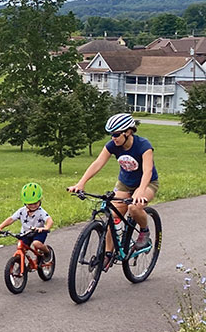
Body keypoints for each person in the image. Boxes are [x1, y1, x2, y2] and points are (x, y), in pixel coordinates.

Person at [68, 113, 159, 267]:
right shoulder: (112, 145)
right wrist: (81, 183)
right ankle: (108, 254)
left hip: (147, 183)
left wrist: (140, 191)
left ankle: (144, 232)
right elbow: (98, 163)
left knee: (134, 208)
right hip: (125, 184)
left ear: (128, 132)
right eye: (111, 135)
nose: (113, 138)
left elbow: (148, 171)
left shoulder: (143, 146)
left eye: (116, 134)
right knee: (113, 214)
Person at [0, 182, 54, 259]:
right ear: (25, 203)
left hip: (38, 232)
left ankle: (47, 252)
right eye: (29, 204)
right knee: (21, 248)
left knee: (37, 244)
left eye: (35, 203)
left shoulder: (41, 212)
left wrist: (46, 228)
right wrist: (0, 227)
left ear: (40, 200)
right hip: (25, 233)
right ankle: (20, 265)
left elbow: (49, 220)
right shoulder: (22, 211)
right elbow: (11, 219)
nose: (33, 206)